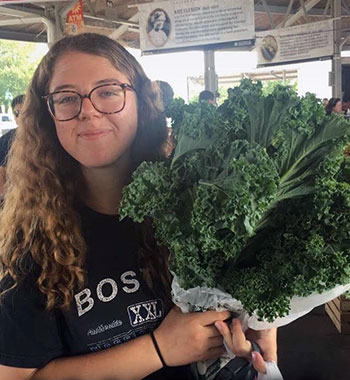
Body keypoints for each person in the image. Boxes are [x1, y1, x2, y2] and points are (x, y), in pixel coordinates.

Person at [0, 33, 277, 380]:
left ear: (140, 102)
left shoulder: (199, 206)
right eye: (67, 98)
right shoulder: (30, 244)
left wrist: (257, 331)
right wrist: (159, 349)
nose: (88, 111)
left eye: (108, 91)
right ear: (48, 115)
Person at [0, 94, 24, 196]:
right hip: (14, 198)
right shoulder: (5, 140)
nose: (21, 116)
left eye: (26, 112)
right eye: (17, 113)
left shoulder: (47, 139)